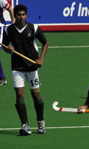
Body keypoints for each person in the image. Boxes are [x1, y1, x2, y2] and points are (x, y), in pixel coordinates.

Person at [2, 4, 48, 135]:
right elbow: (5, 46)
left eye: (23, 15)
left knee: (36, 95)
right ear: (15, 16)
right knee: (19, 95)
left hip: (32, 67)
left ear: (26, 15)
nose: (21, 17)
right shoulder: (8, 30)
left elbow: (45, 42)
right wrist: (8, 49)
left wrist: (41, 59)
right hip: (17, 68)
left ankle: (40, 121)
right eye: (19, 15)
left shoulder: (33, 28)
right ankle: (25, 125)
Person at [0, 0, 15, 85]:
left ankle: (1, 77)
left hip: (0, 28)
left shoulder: (1, 1)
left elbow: (11, 10)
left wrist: (13, 24)